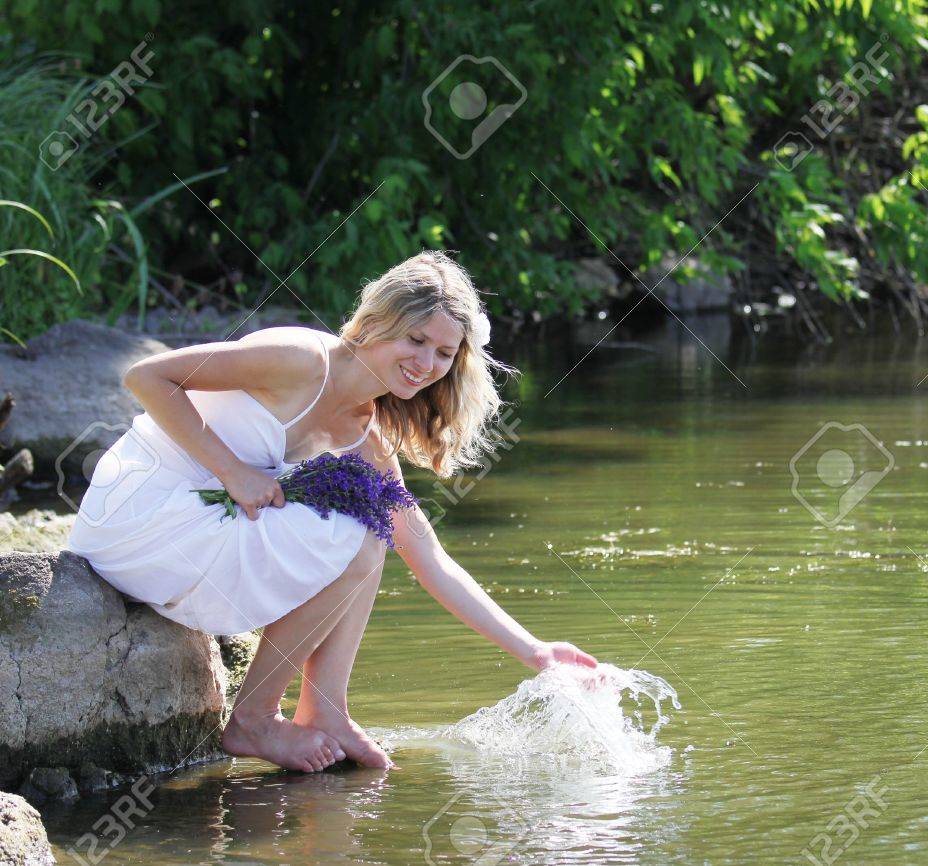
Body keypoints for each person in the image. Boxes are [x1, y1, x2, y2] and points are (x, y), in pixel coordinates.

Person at [66, 250, 598, 774]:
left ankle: (327, 707)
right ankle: (253, 717)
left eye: (443, 353)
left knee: (373, 528)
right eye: (415, 340)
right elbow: (145, 377)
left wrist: (537, 652)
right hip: (139, 517)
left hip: (196, 539)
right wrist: (233, 471)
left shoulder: (367, 438)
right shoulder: (301, 359)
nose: (426, 363)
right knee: (361, 536)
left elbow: (427, 556)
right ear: (375, 323)